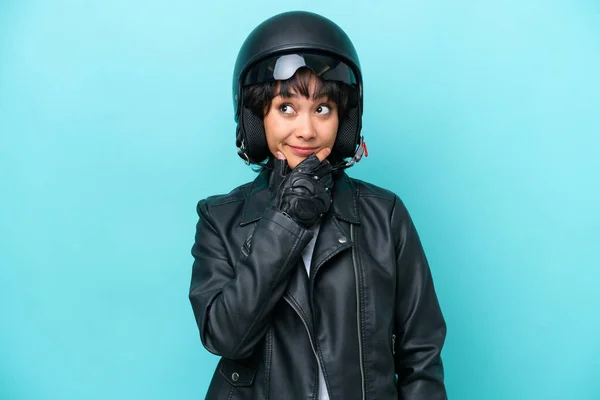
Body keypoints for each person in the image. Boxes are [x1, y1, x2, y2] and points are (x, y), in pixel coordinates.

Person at [189, 10, 447, 400]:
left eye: (322, 108)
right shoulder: (219, 219)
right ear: (256, 117)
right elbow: (226, 338)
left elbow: (421, 352)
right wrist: (287, 219)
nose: (306, 130)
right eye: (286, 108)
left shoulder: (385, 215)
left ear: (345, 120)